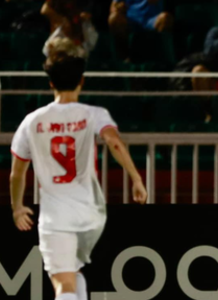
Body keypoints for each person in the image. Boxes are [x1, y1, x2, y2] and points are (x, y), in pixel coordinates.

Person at [9, 37, 148, 300]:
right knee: (74, 273)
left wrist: (17, 207)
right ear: (81, 81)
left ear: (50, 83)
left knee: (63, 286)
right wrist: (136, 178)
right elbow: (114, 143)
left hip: (56, 217)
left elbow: (18, 172)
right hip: (91, 214)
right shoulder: (94, 114)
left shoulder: (32, 122)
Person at [108, 0, 175, 61]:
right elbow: (113, 7)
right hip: (131, 20)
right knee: (114, 18)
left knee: (165, 18)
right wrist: (119, 8)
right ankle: (124, 58)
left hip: (151, 20)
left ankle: (164, 59)